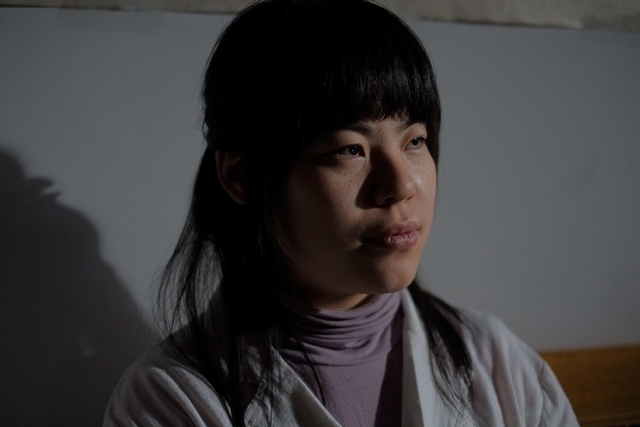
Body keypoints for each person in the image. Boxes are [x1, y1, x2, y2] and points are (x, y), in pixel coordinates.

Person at [104, 0, 579, 426]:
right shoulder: (169, 401)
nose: (401, 186)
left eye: (414, 140)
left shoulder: (496, 361)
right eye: (350, 149)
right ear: (242, 175)